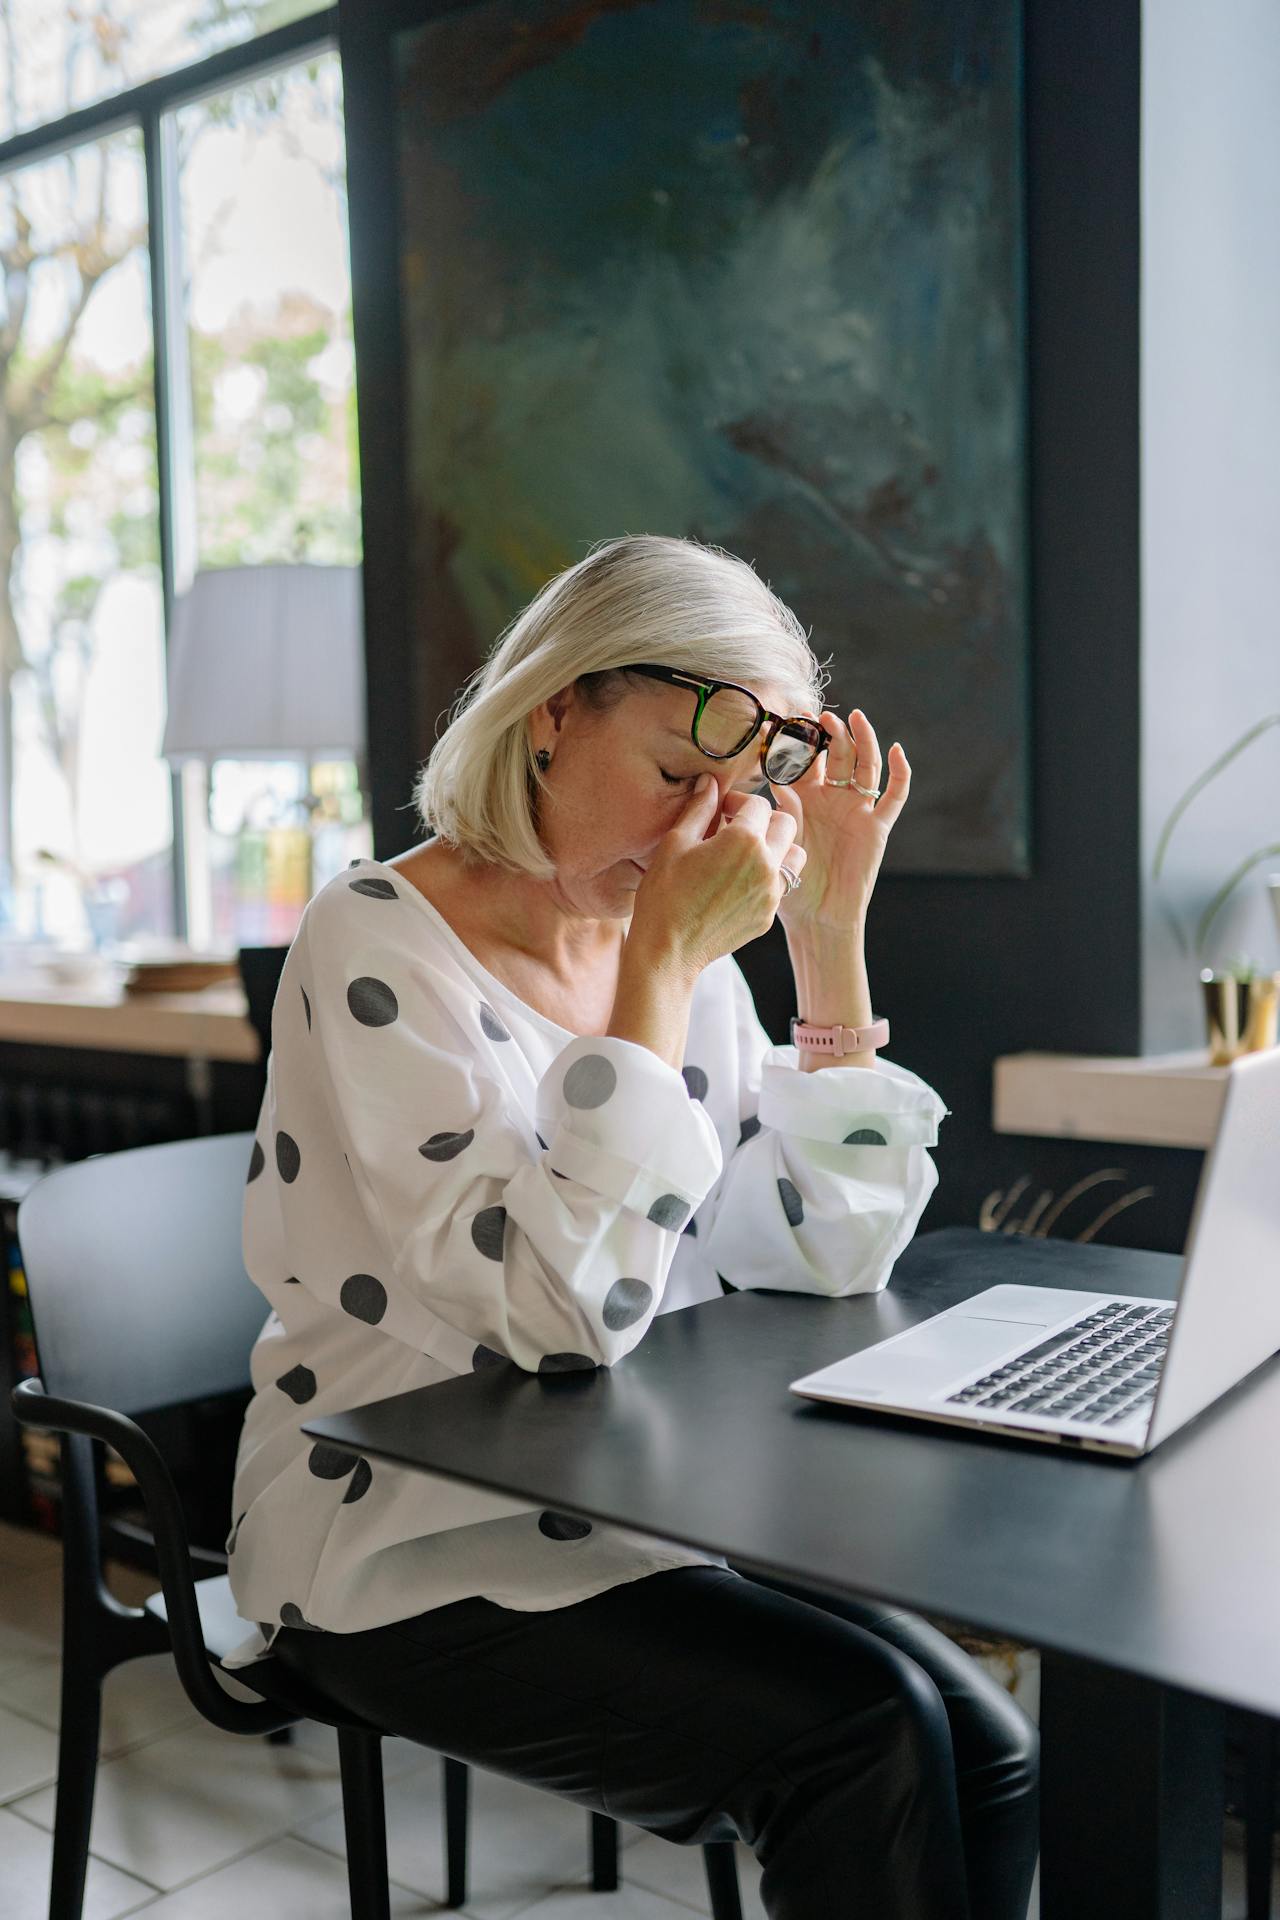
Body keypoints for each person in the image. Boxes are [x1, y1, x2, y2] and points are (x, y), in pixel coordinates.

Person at [224, 535, 1038, 1918]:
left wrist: (827, 937)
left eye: (735, 799)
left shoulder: (680, 951)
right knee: (868, 1742)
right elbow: (561, 1317)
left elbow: (821, 1261)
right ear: (552, 710)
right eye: (672, 775)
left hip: (638, 1509)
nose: (696, 839)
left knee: (994, 1746)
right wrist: (663, 962)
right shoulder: (375, 941)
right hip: (395, 1536)